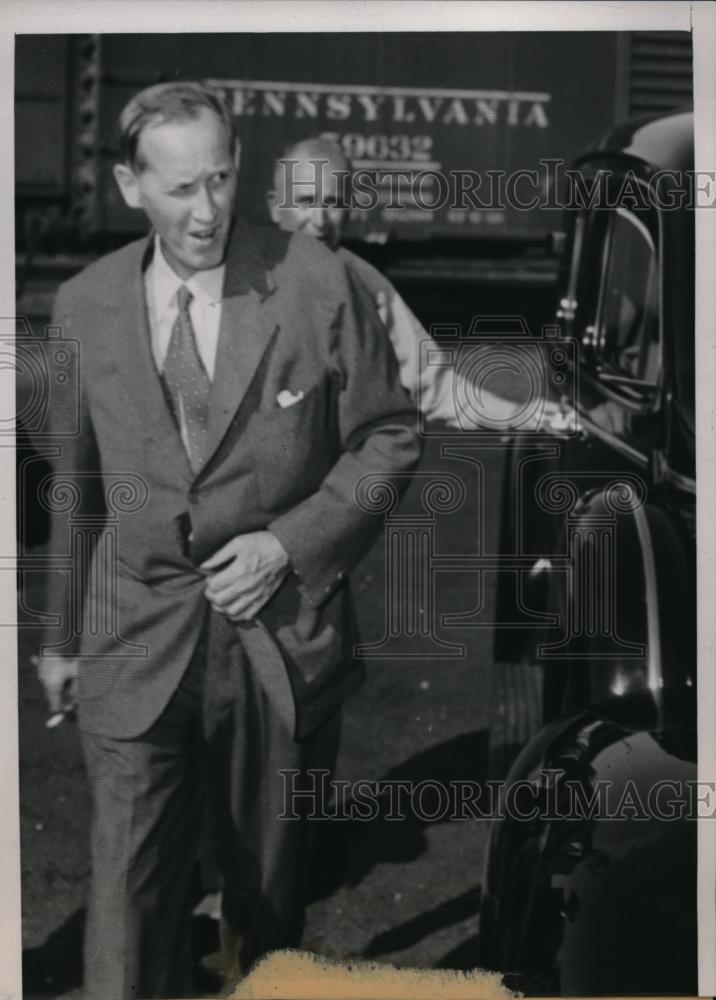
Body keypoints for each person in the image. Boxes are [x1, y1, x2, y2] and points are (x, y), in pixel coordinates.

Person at [34, 83, 420, 1000]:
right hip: (135, 636)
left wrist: (286, 545)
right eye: (179, 189)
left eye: (220, 178)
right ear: (131, 186)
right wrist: (57, 638)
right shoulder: (83, 307)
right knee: (128, 894)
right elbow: (74, 490)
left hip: (279, 640)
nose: (206, 211)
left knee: (265, 901)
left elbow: (391, 434)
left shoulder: (317, 280)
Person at [267, 137, 567, 432]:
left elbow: (436, 387)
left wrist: (530, 415)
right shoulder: (238, 281)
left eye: (333, 203)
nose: (320, 221)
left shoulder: (368, 287)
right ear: (274, 206)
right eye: (305, 202)